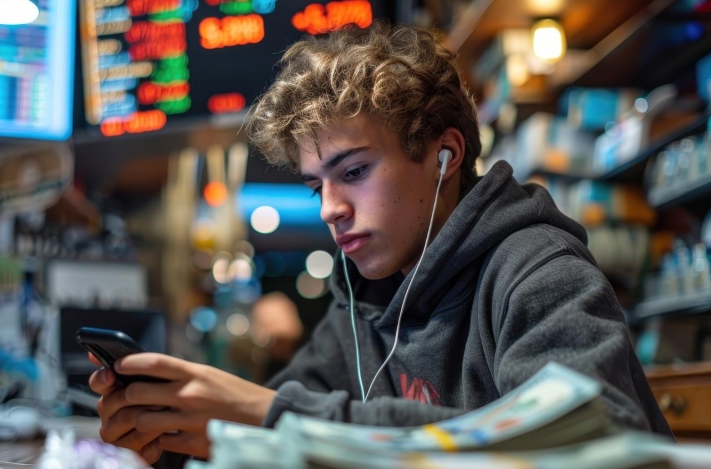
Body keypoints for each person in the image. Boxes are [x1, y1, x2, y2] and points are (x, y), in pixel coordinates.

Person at [87, 21, 672, 463]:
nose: (330, 209)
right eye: (317, 185)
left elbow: (589, 450)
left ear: (444, 155)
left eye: (355, 172)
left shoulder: (539, 272)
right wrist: (187, 436)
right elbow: (293, 422)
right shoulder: (364, 299)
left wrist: (270, 417)